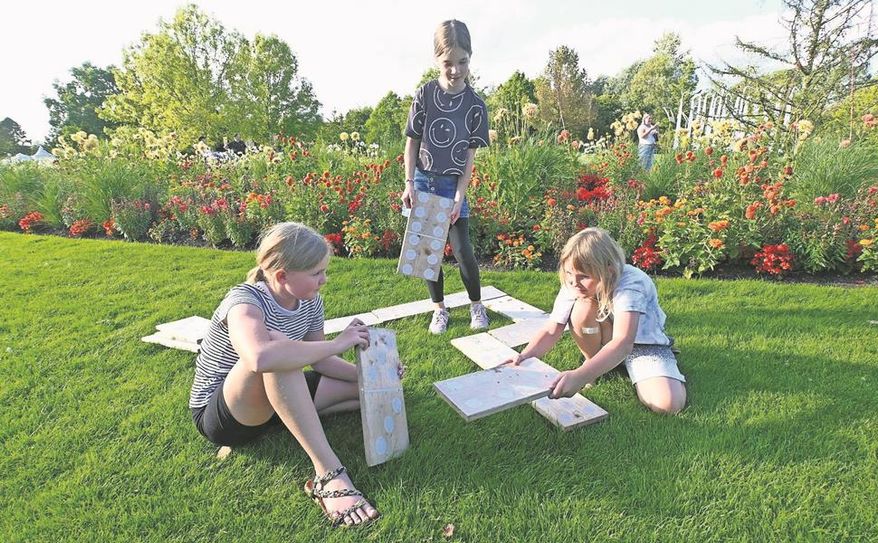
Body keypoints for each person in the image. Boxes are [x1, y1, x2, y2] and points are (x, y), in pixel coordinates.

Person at [188, 222, 382, 527]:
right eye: (317, 273)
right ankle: (328, 474)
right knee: (278, 348)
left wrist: (371, 376)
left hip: (271, 397)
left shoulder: (310, 301)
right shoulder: (244, 301)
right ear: (282, 276)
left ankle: (291, 418)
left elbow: (322, 362)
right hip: (224, 415)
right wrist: (338, 342)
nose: (324, 280)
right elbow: (259, 358)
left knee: (370, 394)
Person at [507, 228, 686, 414]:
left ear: (608, 271)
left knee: (668, 404)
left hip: (642, 346)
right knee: (583, 307)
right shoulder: (574, 282)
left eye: (584, 276)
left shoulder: (632, 284)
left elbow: (624, 343)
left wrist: (579, 377)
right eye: (569, 273)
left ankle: (600, 368)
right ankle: (594, 363)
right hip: (610, 341)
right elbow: (553, 328)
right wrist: (525, 356)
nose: (574, 282)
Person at [402, 19, 491, 335]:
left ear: (470, 56)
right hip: (424, 182)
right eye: (448, 63)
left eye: (462, 61)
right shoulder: (425, 94)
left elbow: (469, 158)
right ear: (436, 60)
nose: (455, 70)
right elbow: (412, 141)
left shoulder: (476, 106)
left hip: (453, 186)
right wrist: (409, 183)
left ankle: (476, 307)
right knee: (428, 254)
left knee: (463, 251)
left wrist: (459, 196)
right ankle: (439, 310)